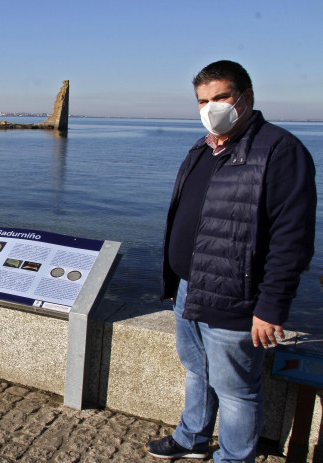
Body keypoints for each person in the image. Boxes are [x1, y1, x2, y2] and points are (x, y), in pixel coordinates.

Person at [146, 60, 317, 462]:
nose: (211, 107)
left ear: (246, 97)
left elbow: (291, 241)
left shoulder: (279, 150)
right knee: (196, 371)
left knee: (236, 388)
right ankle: (193, 438)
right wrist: (175, 282)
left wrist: (271, 307)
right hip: (190, 286)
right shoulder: (203, 147)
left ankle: (234, 458)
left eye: (220, 97)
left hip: (236, 296)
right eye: (203, 100)